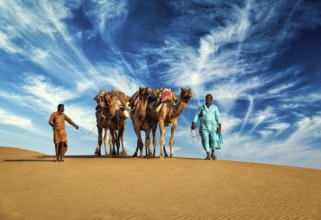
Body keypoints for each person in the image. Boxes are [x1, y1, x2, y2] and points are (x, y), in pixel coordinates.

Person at [191, 94, 222, 160]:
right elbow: (197, 115)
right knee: (205, 140)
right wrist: (193, 122)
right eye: (207, 98)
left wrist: (219, 126)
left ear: (211, 99)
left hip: (213, 127)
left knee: (214, 140)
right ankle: (208, 154)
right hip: (204, 127)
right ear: (205, 99)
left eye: (210, 98)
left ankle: (212, 154)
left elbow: (218, 117)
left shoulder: (215, 108)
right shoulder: (201, 107)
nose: (208, 99)